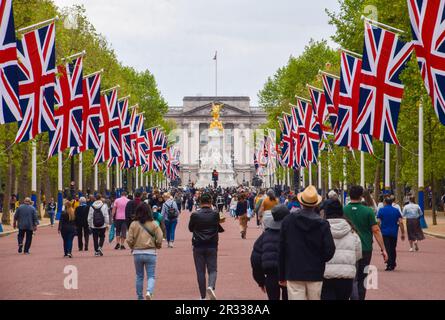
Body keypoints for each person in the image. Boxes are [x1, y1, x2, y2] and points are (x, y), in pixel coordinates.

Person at [278, 186, 335, 300]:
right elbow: (329, 250)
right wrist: (318, 260)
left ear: (301, 202)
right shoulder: (322, 224)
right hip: (315, 272)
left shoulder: (288, 221)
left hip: (294, 271)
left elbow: (282, 249)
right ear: (316, 204)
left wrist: (281, 274)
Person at [343, 185, 388, 300]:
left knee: (348, 277)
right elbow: (376, 230)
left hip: (348, 248)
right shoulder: (368, 211)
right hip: (365, 248)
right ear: (361, 196)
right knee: (362, 278)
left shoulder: (344, 210)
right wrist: (383, 249)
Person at [322, 200, 362, 300]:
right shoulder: (352, 232)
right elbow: (358, 254)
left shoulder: (320, 230)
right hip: (346, 275)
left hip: (326, 274)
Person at [251, 205, 290, 300]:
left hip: (271, 275)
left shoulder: (264, 236)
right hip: (289, 274)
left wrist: (260, 280)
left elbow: (255, 260)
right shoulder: (292, 235)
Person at [188, 192, 222, 300]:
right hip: (212, 244)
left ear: (200, 202)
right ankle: (211, 286)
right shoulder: (215, 214)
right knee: (212, 269)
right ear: (211, 202)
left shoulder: (195, 215)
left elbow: (190, 228)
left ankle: (203, 297)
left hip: (198, 245)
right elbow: (217, 226)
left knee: (200, 271)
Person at [127, 202, 163, 300]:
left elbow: (129, 239)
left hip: (137, 252)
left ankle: (139, 296)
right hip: (151, 252)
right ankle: (149, 291)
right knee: (151, 276)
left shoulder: (133, 224)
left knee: (139, 276)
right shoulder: (154, 224)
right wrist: (158, 245)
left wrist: (132, 246)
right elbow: (160, 237)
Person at [377, 196, 405, 271]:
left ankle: (389, 263)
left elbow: (378, 221)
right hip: (394, 232)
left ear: (385, 203)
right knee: (393, 248)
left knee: (387, 248)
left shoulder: (381, 210)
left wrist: (380, 229)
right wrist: (402, 233)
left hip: (385, 232)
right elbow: (401, 222)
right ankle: (393, 263)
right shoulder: (396, 210)